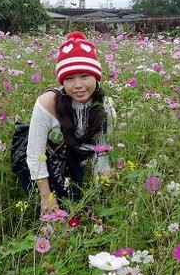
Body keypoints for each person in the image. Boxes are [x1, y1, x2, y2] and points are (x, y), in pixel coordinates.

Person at [19, 31, 115, 215]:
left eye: (85, 76)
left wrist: (101, 189)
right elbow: (34, 154)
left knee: (82, 210)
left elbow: (101, 151)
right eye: (69, 78)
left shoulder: (106, 106)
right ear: (62, 81)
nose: (77, 85)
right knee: (53, 213)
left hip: (77, 163)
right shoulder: (47, 103)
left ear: (97, 77)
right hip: (46, 163)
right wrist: (46, 196)